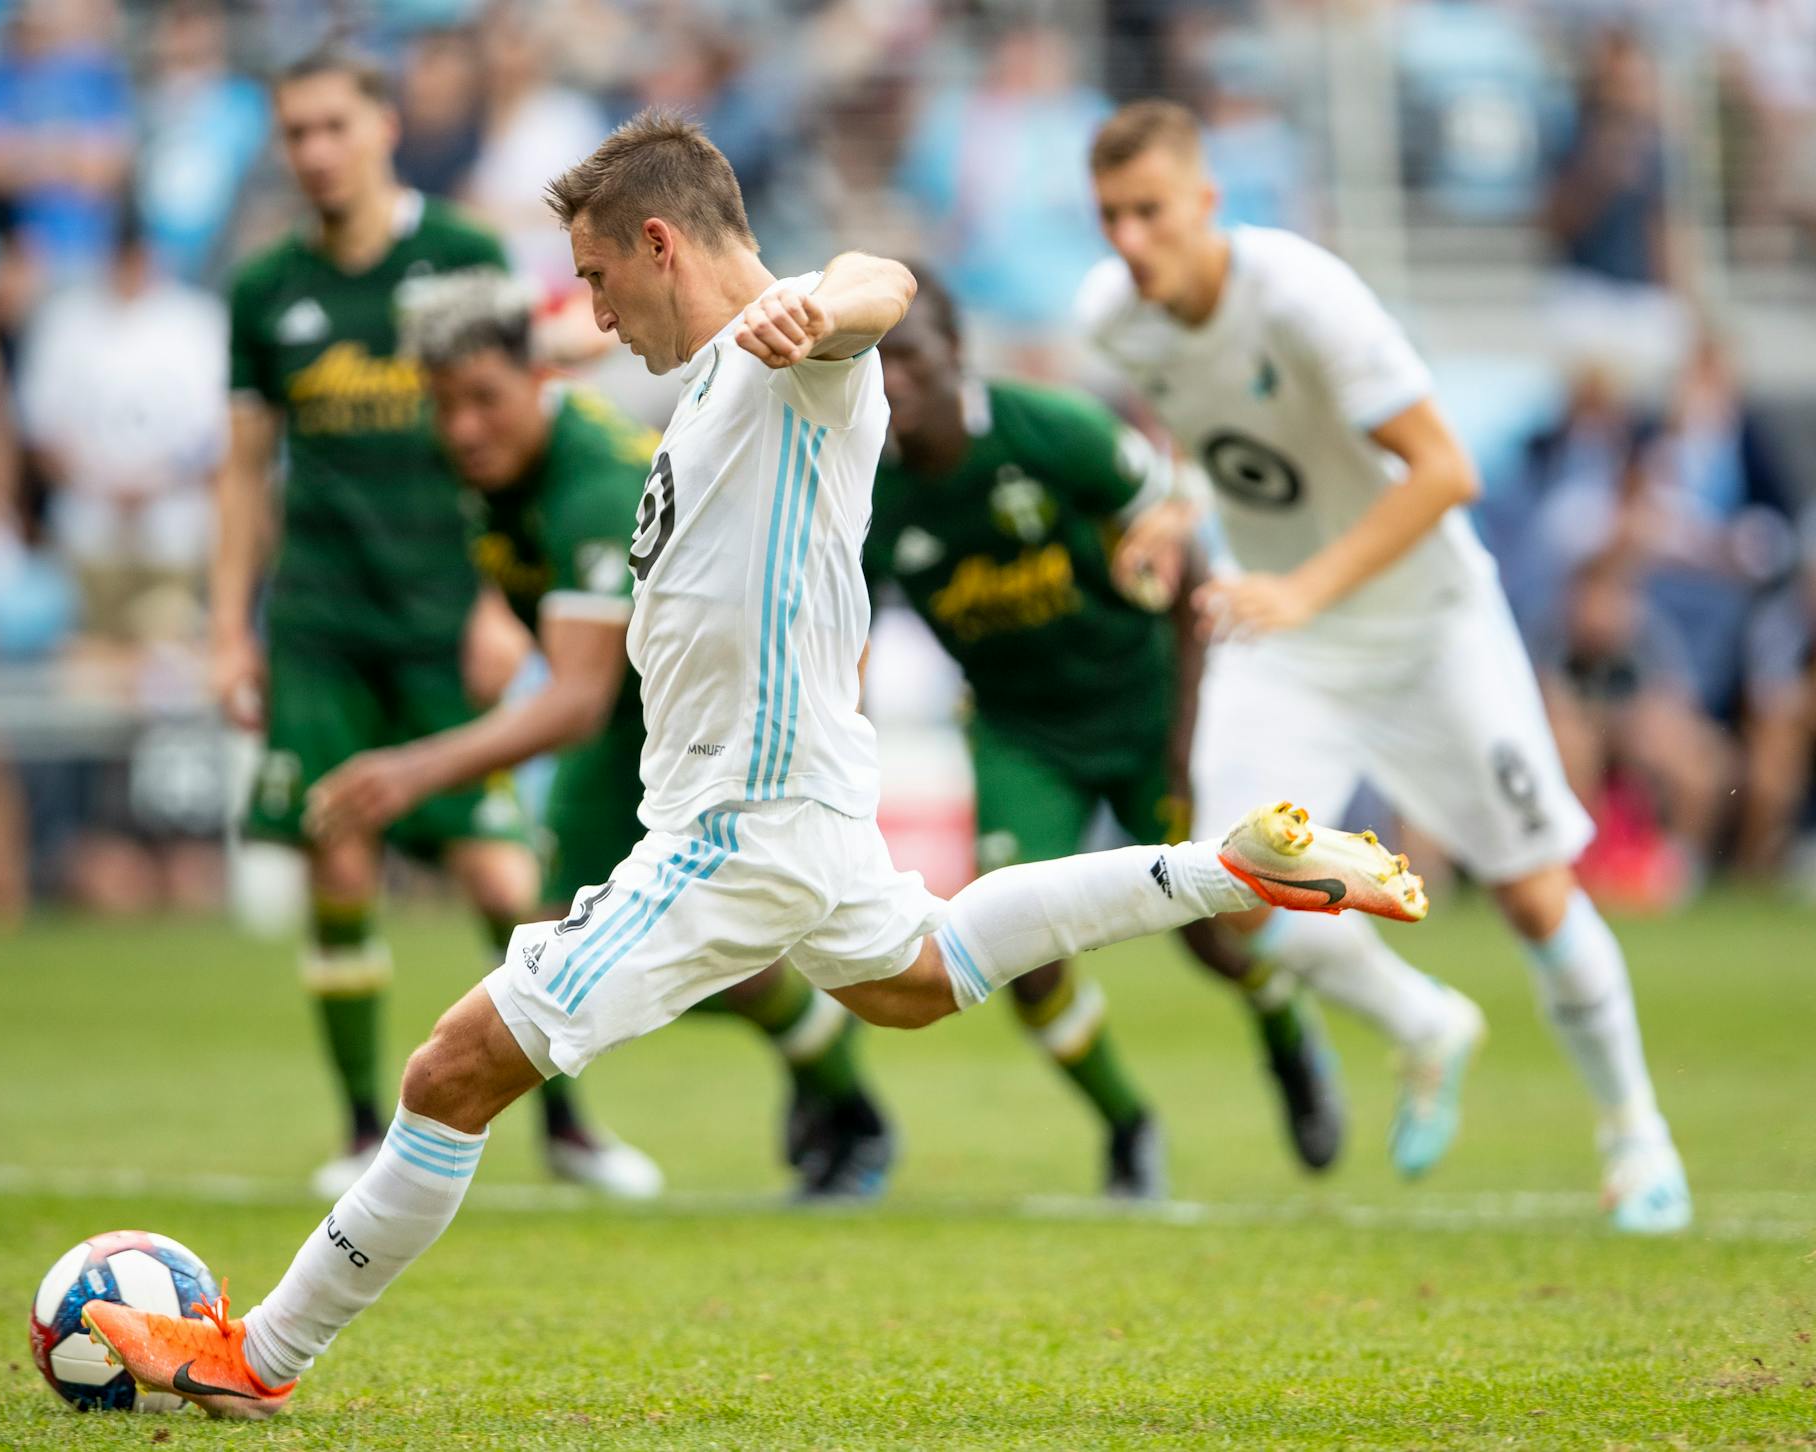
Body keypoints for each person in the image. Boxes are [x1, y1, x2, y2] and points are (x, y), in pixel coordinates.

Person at [82, 106, 1433, 1419]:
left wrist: (824, 307)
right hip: (801, 807)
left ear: (665, 243)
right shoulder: (715, 375)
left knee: (448, 1072)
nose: (597, 314)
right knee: (919, 977)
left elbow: (880, 281)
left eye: (603, 279)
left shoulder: (791, 355)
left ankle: (260, 1352)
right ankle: (1232, 868)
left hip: (741, 821)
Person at [1081, 100, 1689, 1233]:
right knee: (1237, 894)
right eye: (1111, 216)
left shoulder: (1305, 298)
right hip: (1286, 637)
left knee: (1532, 894)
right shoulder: (1114, 318)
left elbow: (1445, 471)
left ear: (1209, 203)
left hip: (1422, 623)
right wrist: (1177, 512)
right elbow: (1221, 447)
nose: (1129, 239)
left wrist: (1307, 586)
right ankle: (1423, 1026)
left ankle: (1635, 1138)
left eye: (1151, 212)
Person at [307, 267, 896, 1199]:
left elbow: (576, 698)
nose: (464, 428)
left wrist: (411, 772)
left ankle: (843, 1100)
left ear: (538, 381)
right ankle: (637, 1121)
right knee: (569, 942)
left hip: (699, 725)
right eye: (444, 406)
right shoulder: (499, 473)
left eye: (485, 401)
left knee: (670, 954)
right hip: (641, 718)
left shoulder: (589, 483)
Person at [212, 50, 652, 1200]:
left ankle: (573, 1129)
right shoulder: (265, 291)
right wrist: (227, 628)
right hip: (320, 618)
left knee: (506, 883)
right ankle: (363, 1130)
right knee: (337, 851)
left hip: (441, 612)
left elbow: (520, 402)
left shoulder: (456, 257)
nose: (313, 150)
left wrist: (495, 605)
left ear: (382, 127)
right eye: (293, 131)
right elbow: (246, 470)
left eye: (331, 126)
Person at [868, 268, 1343, 1194]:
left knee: (1213, 933)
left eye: (911, 358)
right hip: (1020, 733)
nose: (891, 384)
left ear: (955, 357)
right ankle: (1129, 1124)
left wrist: (1185, 740)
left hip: (1144, 710)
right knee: (1017, 953)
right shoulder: (867, 493)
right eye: (875, 362)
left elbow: (1187, 553)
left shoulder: (1055, 433)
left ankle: (1285, 1030)